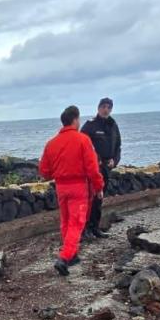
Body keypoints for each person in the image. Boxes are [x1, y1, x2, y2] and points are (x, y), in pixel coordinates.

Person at [39, 105, 105, 275]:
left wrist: (58, 173)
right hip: (78, 186)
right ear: (75, 120)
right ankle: (64, 258)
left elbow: (44, 171)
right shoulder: (83, 140)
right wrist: (98, 187)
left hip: (61, 187)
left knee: (66, 221)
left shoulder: (51, 143)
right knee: (76, 223)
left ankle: (72, 254)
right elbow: (92, 168)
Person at [81, 97, 121, 238]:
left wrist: (114, 161)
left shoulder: (113, 125)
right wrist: (95, 159)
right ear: (98, 108)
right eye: (103, 107)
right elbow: (82, 146)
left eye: (109, 107)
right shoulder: (90, 125)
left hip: (106, 168)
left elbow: (118, 146)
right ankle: (85, 229)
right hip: (93, 168)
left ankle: (95, 227)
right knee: (90, 199)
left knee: (99, 199)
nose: (106, 110)